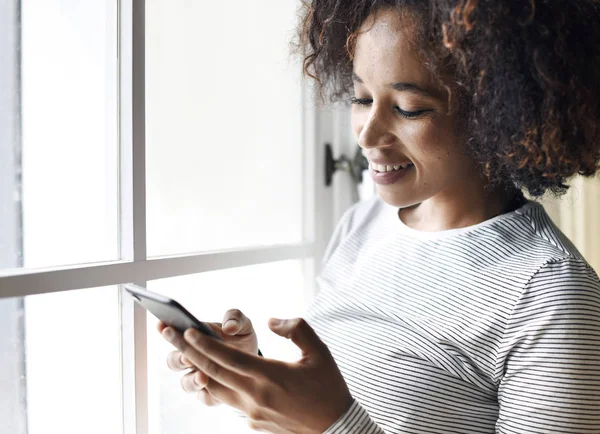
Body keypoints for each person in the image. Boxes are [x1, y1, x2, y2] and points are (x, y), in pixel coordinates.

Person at [157, 0, 600, 432]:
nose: (367, 134)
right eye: (362, 98)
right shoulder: (364, 224)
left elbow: (338, 420)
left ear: (500, 114)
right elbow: (349, 401)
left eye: (409, 108)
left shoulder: (550, 293)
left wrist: (333, 424)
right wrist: (255, 381)